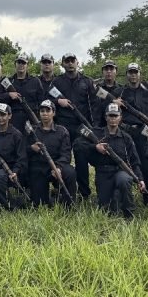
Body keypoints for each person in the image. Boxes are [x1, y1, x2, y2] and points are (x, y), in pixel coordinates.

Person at [83, 102, 145, 219]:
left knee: (124, 180)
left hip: (120, 171)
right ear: (106, 117)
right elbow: (79, 145)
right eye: (110, 116)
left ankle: (129, 214)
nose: (112, 119)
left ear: (120, 118)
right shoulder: (96, 133)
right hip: (103, 172)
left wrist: (140, 179)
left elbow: (134, 161)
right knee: (105, 210)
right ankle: (116, 199)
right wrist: (95, 147)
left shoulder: (126, 137)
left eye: (115, 116)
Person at [51, 52, 98, 199]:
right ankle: (60, 189)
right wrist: (59, 101)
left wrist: (93, 126)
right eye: (67, 61)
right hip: (62, 125)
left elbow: (95, 105)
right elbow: (48, 97)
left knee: (81, 159)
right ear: (63, 64)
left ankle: (84, 193)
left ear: (77, 62)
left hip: (81, 127)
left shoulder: (87, 82)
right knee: (60, 159)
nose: (70, 63)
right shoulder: (57, 82)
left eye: (72, 61)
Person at [117, 62, 148, 201]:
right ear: (127, 74)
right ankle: (125, 196)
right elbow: (108, 109)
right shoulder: (120, 92)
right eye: (130, 72)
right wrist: (113, 104)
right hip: (125, 131)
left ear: (140, 74)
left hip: (143, 132)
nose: (133, 75)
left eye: (135, 72)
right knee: (125, 162)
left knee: (145, 163)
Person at [26, 99, 76, 207]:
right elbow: (23, 150)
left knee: (70, 172)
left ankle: (69, 203)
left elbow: (66, 154)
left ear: (53, 113)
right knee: (40, 204)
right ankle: (51, 198)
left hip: (56, 166)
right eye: (42, 111)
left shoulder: (62, 131)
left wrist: (58, 167)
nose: (44, 114)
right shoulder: (32, 131)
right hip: (38, 168)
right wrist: (31, 148)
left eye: (48, 111)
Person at [0, 102, 28, 209]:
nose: (0, 118)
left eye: (3, 115)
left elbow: (21, 158)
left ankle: (8, 205)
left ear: (9, 116)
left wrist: (15, 172)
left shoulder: (16, 135)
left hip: (11, 170)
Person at [5, 52, 43, 132]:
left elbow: (41, 102)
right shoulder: (8, 81)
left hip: (31, 119)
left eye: (23, 63)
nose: (21, 65)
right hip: (12, 120)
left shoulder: (35, 81)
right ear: (15, 64)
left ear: (27, 65)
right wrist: (8, 94)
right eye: (19, 62)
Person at [94, 60, 123, 126]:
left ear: (116, 71)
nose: (109, 71)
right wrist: (113, 102)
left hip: (118, 127)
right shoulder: (96, 88)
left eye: (111, 69)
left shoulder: (122, 89)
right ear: (102, 72)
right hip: (100, 125)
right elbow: (95, 107)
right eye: (106, 69)